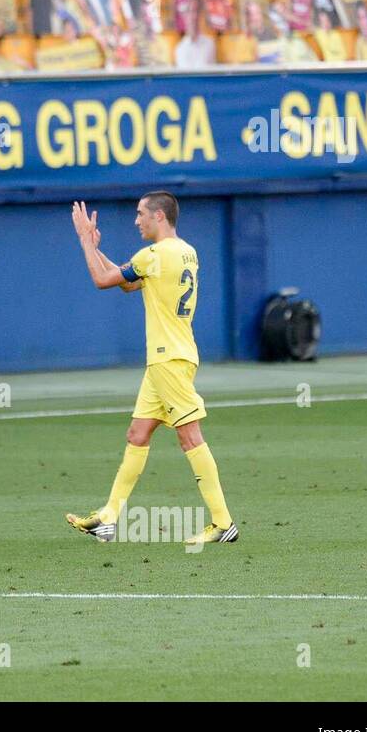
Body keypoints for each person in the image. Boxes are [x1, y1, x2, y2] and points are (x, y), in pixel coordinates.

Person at [66, 195, 237, 545]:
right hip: (172, 357)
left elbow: (103, 280)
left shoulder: (155, 256)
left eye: (140, 214)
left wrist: (85, 240)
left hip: (168, 359)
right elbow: (128, 281)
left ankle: (223, 523)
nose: (136, 221)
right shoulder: (185, 251)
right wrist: (98, 250)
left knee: (190, 436)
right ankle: (108, 517)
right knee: (137, 434)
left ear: (159, 215)